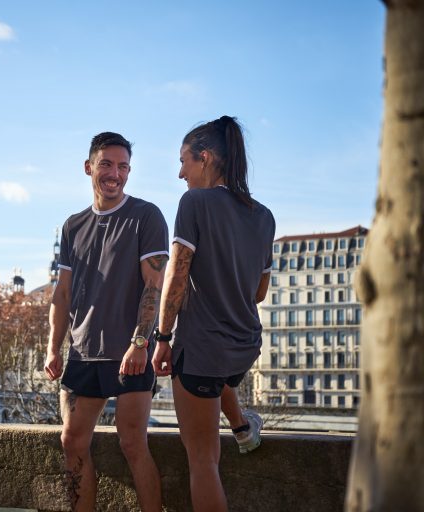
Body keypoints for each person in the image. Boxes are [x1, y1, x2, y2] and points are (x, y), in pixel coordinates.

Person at [152, 115, 275, 512]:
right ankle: (242, 430)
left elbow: (177, 275)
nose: (180, 172)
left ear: (204, 158)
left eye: (184, 161)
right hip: (244, 345)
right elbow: (259, 291)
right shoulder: (264, 216)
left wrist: (163, 338)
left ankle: (242, 429)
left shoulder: (194, 203)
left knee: (202, 461)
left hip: (203, 350)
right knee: (221, 379)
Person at [44, 132, 170, 512]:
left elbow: (155, 287)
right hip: (83, 353)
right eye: (107, 164)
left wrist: (140, 342)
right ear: (89, 168)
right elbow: (62, 294)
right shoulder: (72, 225)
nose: (115, 173)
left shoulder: (147, 215)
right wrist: (53, 347)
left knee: (133, 444)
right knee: (72, 442)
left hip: (129, 353)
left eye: (123, 166)